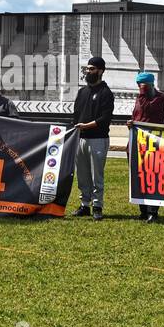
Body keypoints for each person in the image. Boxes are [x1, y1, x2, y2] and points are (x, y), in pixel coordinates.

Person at [71, 56, 115, 220]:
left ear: (100, 71)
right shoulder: (82, 92)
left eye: (92, 69)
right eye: (87, 68)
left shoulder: (106, 93)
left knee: (97, 175)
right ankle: (85, 204)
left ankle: (97, 206)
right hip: (80, 138)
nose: (88, 71)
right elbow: (76, 114)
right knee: (82, 174)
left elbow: (105, 118)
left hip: (98, 138)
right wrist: (76, 129)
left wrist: (86, 126)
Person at [129, 71, 164, 222]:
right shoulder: (139, 98)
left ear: (151, 85)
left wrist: (143, 94)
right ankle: (143, 210)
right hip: (137, 141)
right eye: (138, 85)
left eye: (143, 85)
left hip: (153, 142)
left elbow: (149, 110)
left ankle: (153, 211)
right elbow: (137, 116)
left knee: (152, 176)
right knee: (138, 176)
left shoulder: (160, 98)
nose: (140, 88)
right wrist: (131, 123)